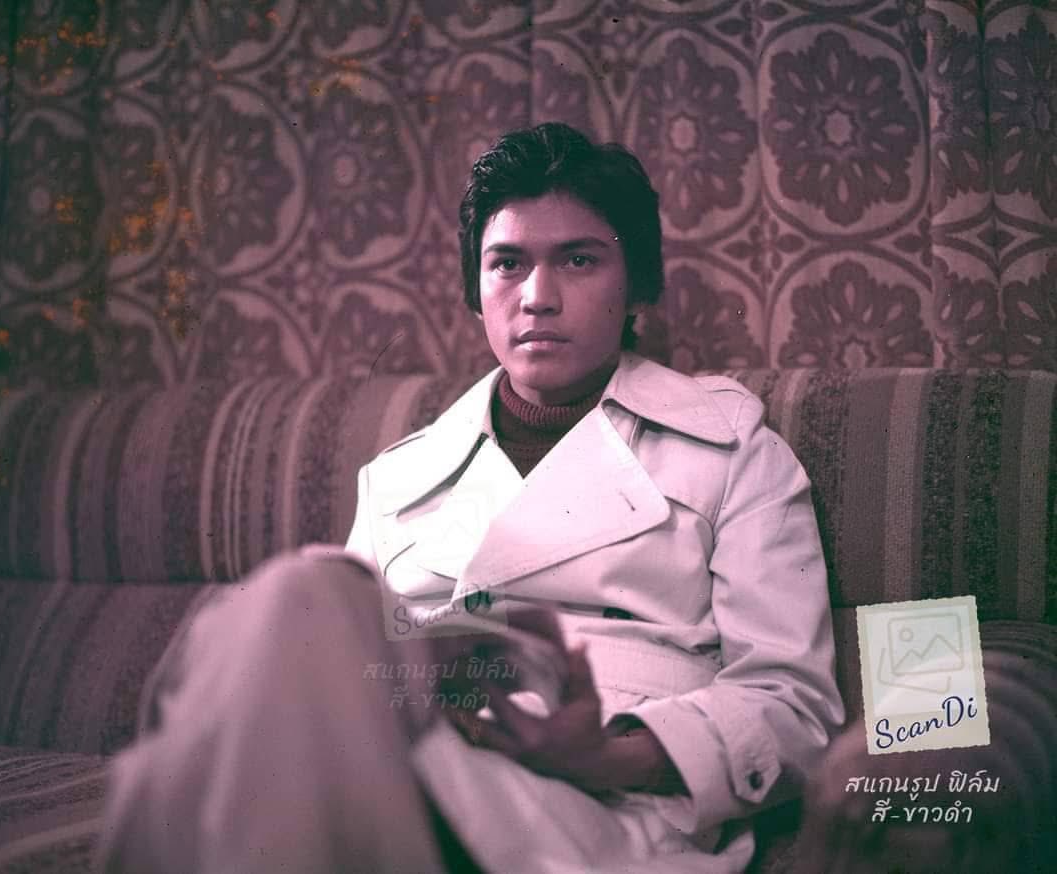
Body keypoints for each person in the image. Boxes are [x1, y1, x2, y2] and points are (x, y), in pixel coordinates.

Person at [99, 122, 844, 874]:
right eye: (507, 264)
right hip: (408, 761)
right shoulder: (398, 476)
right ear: (476, 291)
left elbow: (792, 702)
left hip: (604, 804)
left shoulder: (731, 448)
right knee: (305, 601)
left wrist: (610, 754)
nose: (538, 298)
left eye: (579, 260)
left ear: (636, 286)